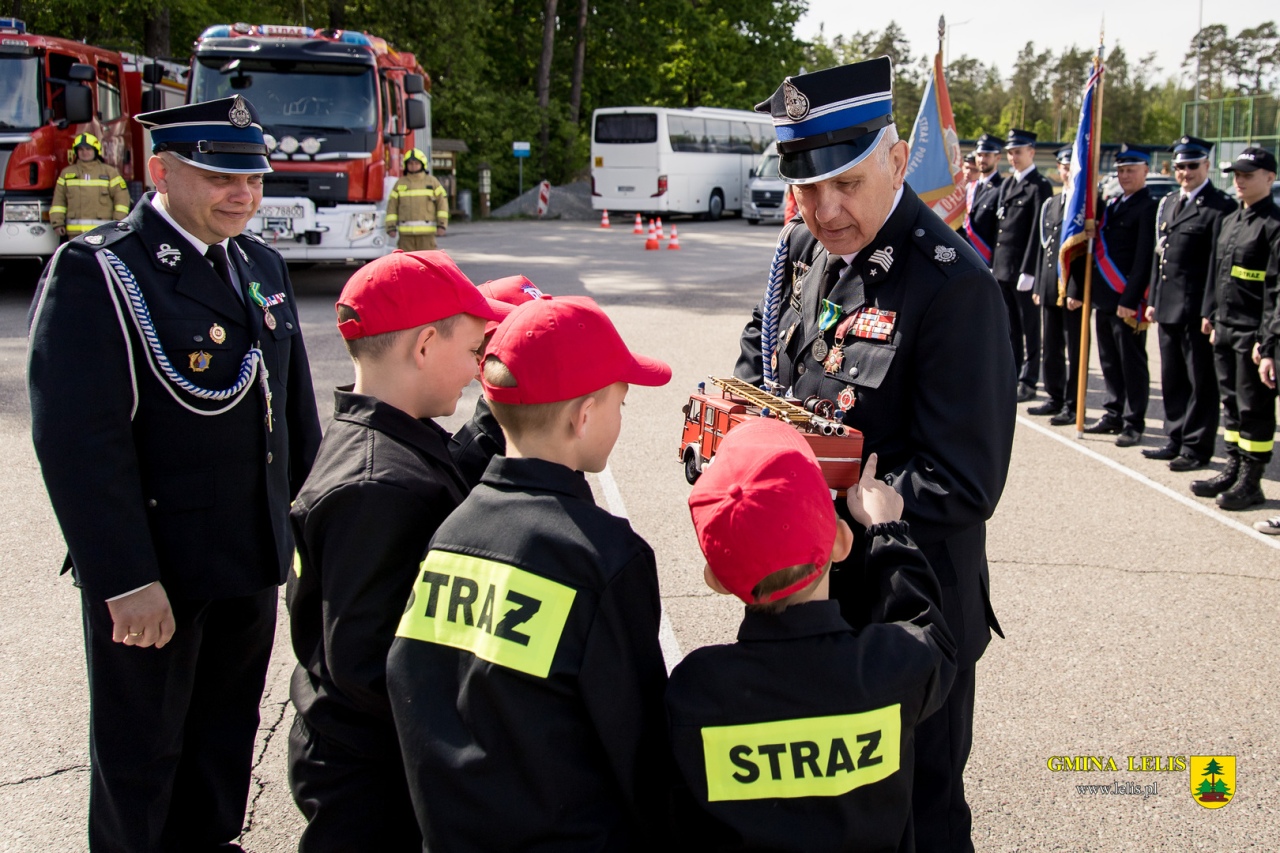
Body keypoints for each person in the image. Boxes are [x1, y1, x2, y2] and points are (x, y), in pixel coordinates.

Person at [27, 95, 322, 852]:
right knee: (141, 755)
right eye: (220, 176)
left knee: (224, 739)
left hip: (247, 557)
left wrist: (311, 535)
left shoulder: (259, 263)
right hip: (159, 569)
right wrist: (124, 578)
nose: (243, 195)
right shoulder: (103, 271)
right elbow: (80, 445)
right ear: (161, 170)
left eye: (253, 180)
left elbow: (293, 418)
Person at [736, 57, 1016, 852]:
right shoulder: (801, 250)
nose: (823, 209)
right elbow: (768, 369)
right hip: (800, 595)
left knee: (915, 816)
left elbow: (964, 478)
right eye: (806, 187)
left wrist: (848, 507)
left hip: (906, 610)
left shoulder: (951, 285)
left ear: (897, 159)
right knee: (821, 814)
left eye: (846, 184)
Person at [386, 295, 674, 851]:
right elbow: (638, 744)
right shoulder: (606, 556)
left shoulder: (450, 531)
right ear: (583, 416)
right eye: (621, 403)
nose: (620, 417)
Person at [285, 251, 512, 852]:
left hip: (363, 750)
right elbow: (367, 666)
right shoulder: (376, 487)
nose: (474, 372)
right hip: (369, 776)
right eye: (471, 353)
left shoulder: (381, 441)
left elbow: (439, 480)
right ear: (424, 345)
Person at [667, 418, 956, 852]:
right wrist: (887, 532)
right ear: (841, 542)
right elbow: (930, 632)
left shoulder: (697, 690)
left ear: (717, 579)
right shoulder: (888, 669)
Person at [1193, 147, 1279, 510]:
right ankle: (1233, 466)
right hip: (1225, 327)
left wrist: (1270, 344)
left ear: (1270, 178)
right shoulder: (1232, 219)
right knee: (1229, 403)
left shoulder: (1273, 225)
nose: (1239, 180)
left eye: (1247, 175)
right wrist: (1210, 312)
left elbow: (1276, 291)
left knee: (1253, 409)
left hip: (1254, 335)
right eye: (1236, 174)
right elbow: (1218, 273)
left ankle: (1252, 480)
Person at [1142, 136, 1236, 471]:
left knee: (1201, 381)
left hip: (1197, 309)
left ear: (1207, 166)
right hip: (1167, 305)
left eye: (1192, 166)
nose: (1185, 172)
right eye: (1180, 166)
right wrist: (1153, 298)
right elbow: (1160, 255)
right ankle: (1175, 437)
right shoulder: (1168, 202)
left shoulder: (1219, 206)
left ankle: (1197, 446)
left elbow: (1218, 264)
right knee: (1172, 376)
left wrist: (1211, 310)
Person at [1074, 146, 1157, 447]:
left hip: (1126, 300)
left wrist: (1131, 299)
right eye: (1121, 171)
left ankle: (1134, 421)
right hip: (1105, 298)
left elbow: (1143, 258)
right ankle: (1113, 412)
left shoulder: (1148, 207)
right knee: (1109, 360)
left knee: (1131, 363)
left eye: (1131, 170)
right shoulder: (1114, 205)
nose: (1124, 176)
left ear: (1145, 171)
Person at [449, 274, 546, 488]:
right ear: (478, 365)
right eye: (522, 343)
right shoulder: (467, 461)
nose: (546, 353)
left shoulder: (555, 424)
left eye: (547, 337)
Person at [993, 128, 1055, 402]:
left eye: (1018, 151)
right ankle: (1014, 374)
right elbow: (1001, 229)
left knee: (1030, 328)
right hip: (1004, 268)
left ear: (1032, 152)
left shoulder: (1040, 186)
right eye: (1010, 152)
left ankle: (1029, 380)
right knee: (1011, 328)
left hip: (1022, 270)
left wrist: (1029, 269)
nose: (1013, 157)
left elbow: (1037, 232)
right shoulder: (1007, 184)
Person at [1028, 147, 1086, 425]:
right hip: (1051, 285)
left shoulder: (1084, 205)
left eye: (1070, 167)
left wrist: (1075, 289)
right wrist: (1040, 283)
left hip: (1072, 290)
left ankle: (1074, 404)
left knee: (1074, 349)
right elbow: (1045, 248)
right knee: (1051, 346)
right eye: (1063, 166)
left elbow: (1084, 253)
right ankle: (1055, 396)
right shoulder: (1051, 203)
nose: (1066, 171)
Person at [49, 132, 132, 238]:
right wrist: (57, 222)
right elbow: (58, 201)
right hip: (75, 234)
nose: (85, 152)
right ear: (76, 151)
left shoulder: (109, 173)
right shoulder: (67, 173)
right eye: (81, 149)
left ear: (95, 150)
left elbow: (122, 199)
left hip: (103, 233)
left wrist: (117, 222)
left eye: (88, 149)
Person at [384, 148, 449, 250]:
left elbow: (442, 204)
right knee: (407, 263)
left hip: (427, 235)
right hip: (405, 235)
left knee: (426, 262)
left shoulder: (432, 182)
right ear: (406, 165)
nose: (413, 166)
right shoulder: (400, 183)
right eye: (410, 163)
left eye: (416, 163)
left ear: (422, 164)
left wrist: (442, 225)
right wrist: (390, 227)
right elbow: (392, 206)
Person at [963, 133, 1004, 266]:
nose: (982, 159)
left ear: (997, 158)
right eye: (979, 155)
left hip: (988, 259)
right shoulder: (971, 187)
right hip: (968, 256)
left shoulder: (1002, 187)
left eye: (987, 155)